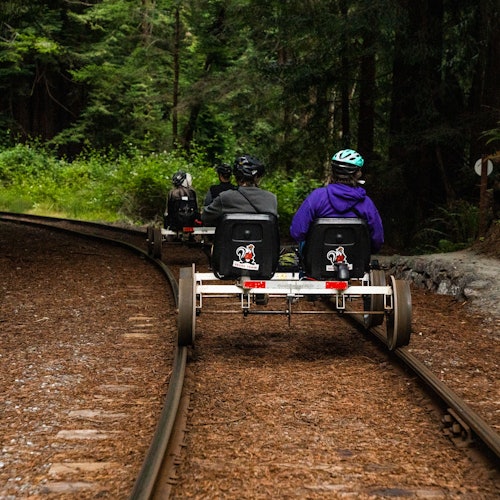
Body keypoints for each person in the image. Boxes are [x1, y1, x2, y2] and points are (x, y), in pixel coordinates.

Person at [290, 149, 384, 253]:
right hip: (356, 261)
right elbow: (377, 239)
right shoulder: (366, 203)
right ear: (357, 174)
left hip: (317, 261)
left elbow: (297, 231)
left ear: (333, 172)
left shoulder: (316, 197)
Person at [201, 154, 278, 226]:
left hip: (228, 240)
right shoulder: (271, 199)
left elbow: (205, 217)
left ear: (236, 177)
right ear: (256, 178)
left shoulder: (225, 198)